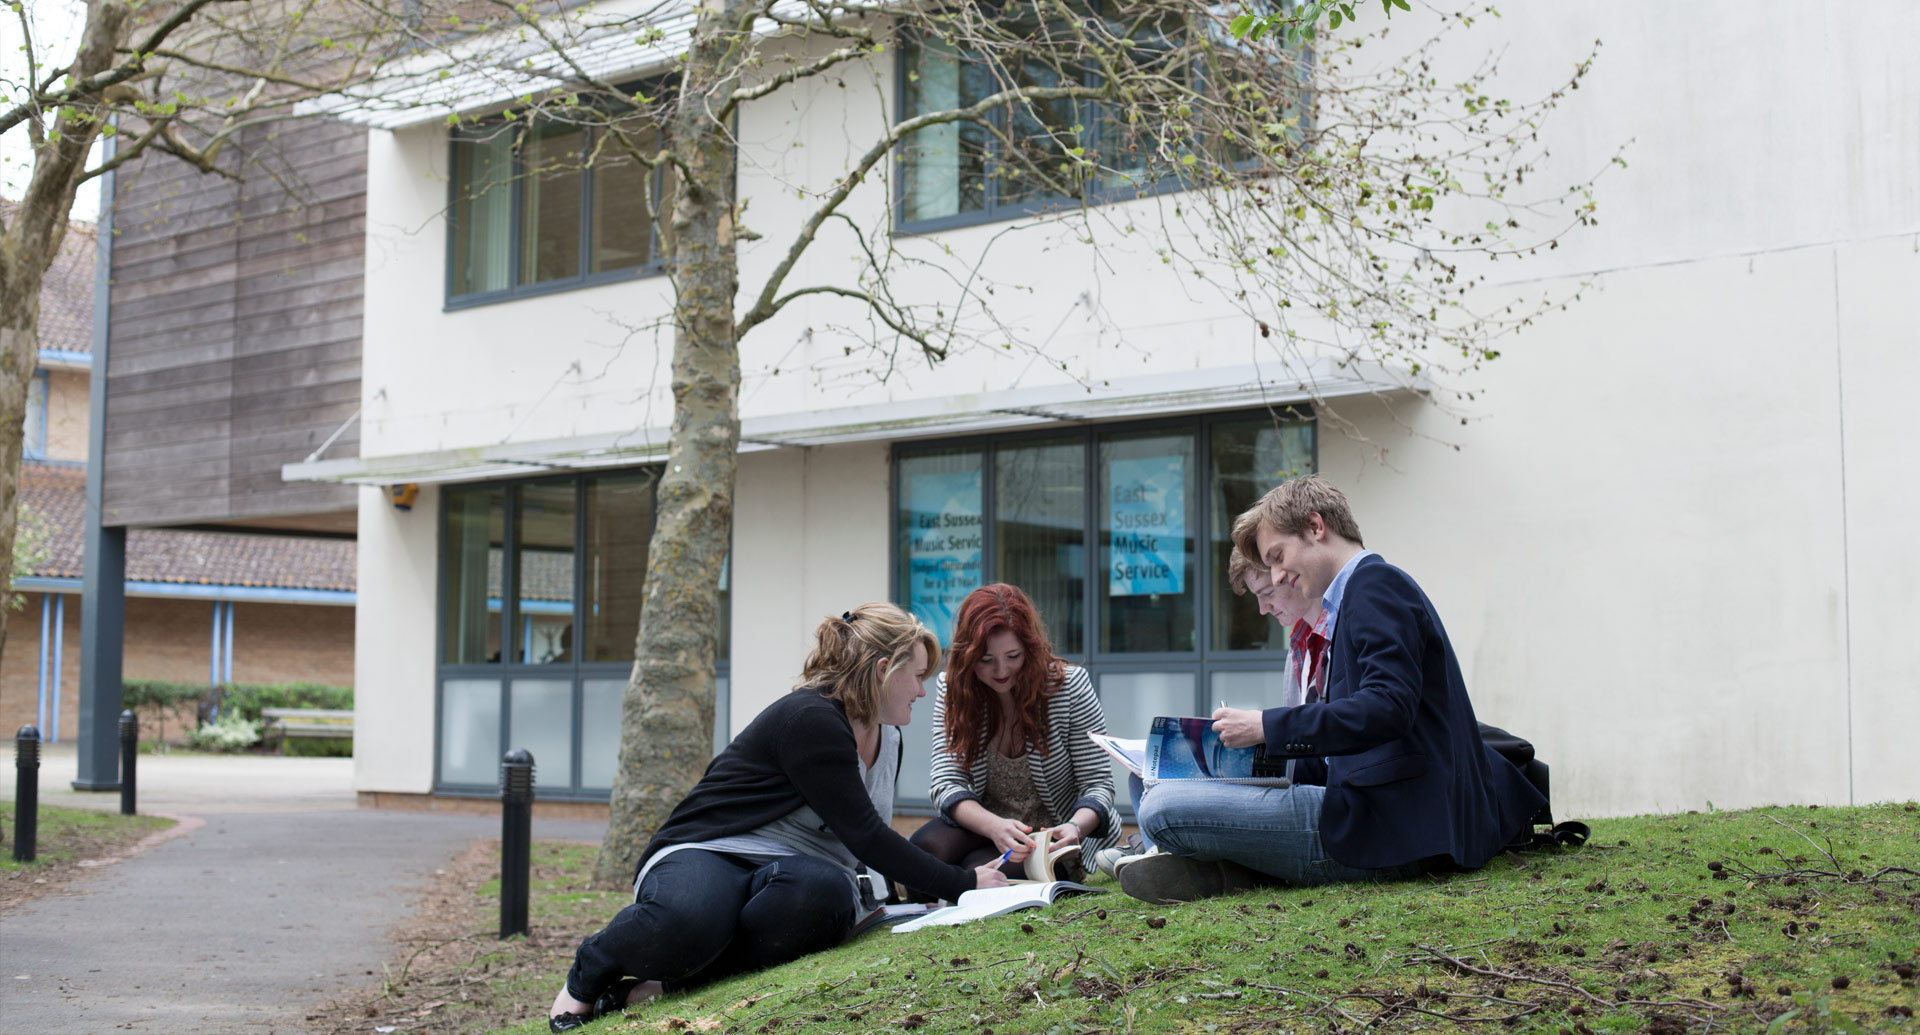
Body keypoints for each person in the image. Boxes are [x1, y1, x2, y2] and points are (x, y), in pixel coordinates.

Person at [546, 602, 1010, 1031]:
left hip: (795, 870)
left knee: (824, 897)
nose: (922, 690)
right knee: (690, 921)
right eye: (918, 676)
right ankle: (586, 978)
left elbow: (862, 843)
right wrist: (964, 885)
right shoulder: (813, 719)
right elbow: (868, 836)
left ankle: (654, 991)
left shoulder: (887, 736)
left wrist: (916, 897)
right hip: (710, 849)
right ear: (885, 671)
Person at [1117, 476, 1544, 904]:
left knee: (1161, 808)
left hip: (1388, 831)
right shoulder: (1360, 595)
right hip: (1381, 818)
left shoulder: (1375, 586)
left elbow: (1387, 706)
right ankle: (1232, 871)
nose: (1279, 573)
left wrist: (1268, 726)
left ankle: (1232, 870)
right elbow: (1359, 737)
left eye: (1278, 556)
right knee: (1156, 787)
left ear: (1316, 527)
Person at [906, 584, 1121, 893]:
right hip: (985, 825)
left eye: (1012, 656)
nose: (1001, 670)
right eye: (985, 659)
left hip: (1049, 836)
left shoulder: (1069, 687)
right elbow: (946, 782)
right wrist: (994, 826)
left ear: (1030, 648)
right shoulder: (953, 688)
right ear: (967, 655)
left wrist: (1075, 828)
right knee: (926, 848)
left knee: (978, 876)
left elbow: (1098, 783)